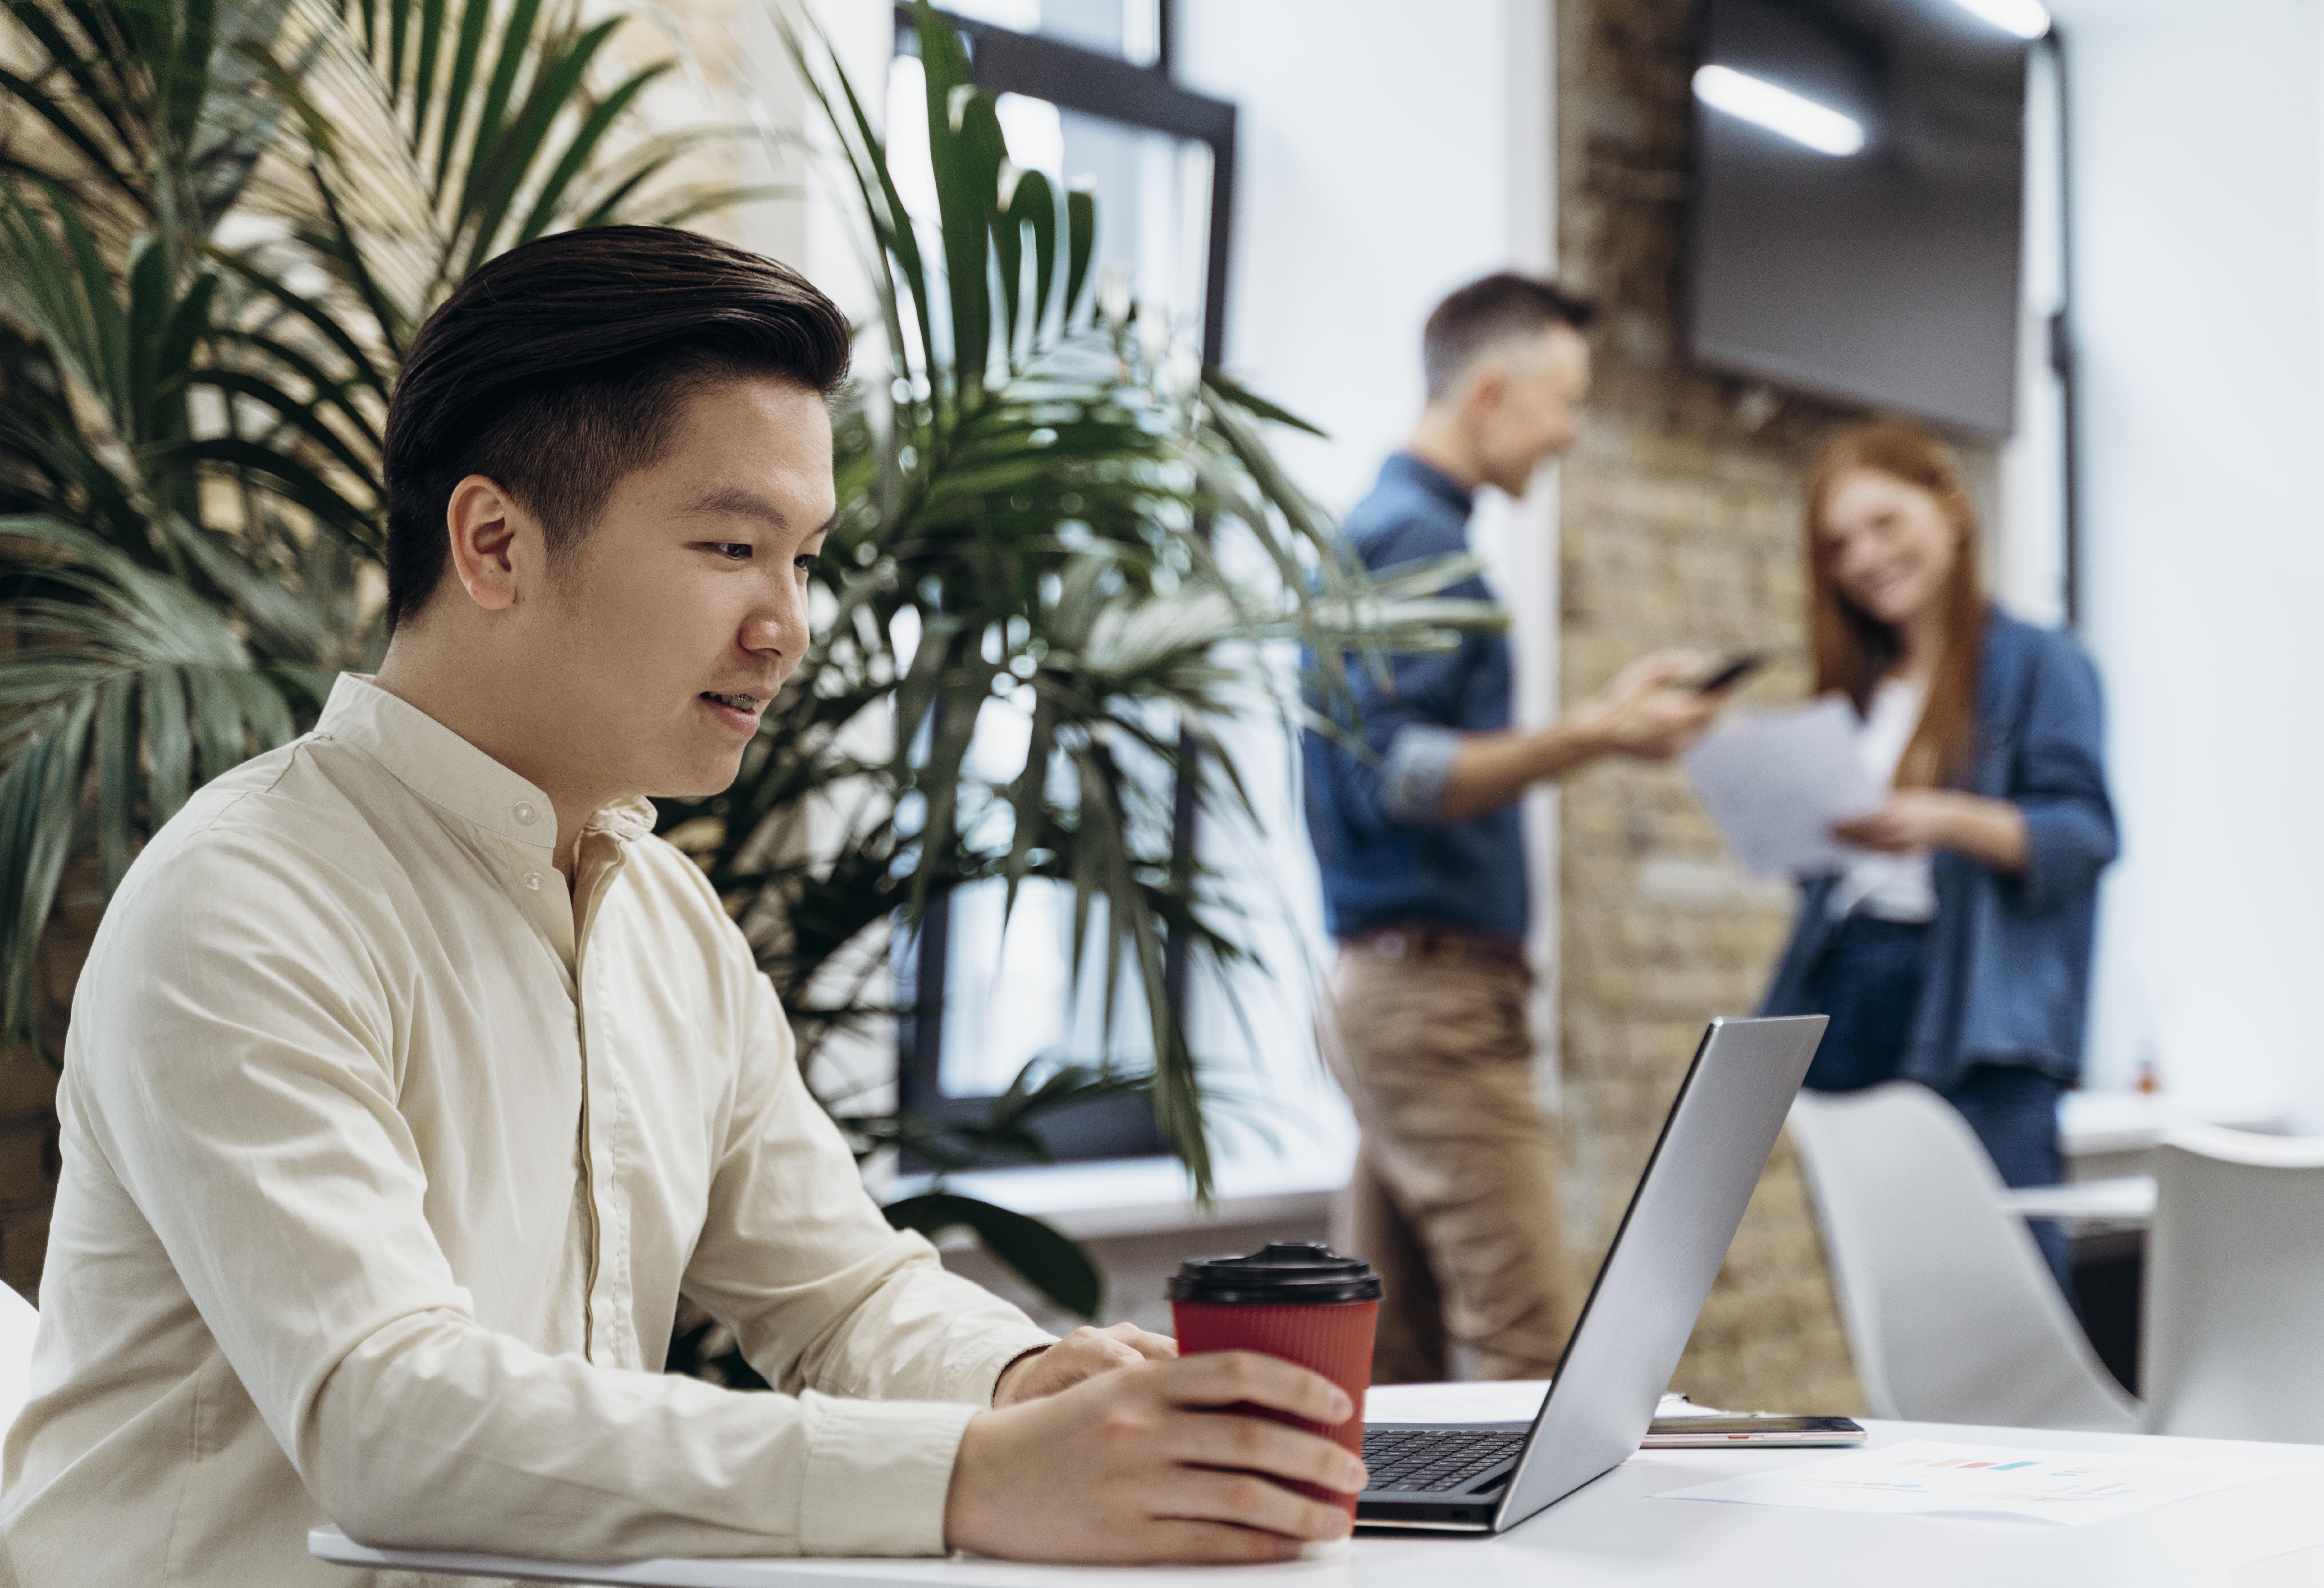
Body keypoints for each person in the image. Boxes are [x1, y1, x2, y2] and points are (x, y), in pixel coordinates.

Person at [0, 227, 1373, 1585]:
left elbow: (841, 1298)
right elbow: (390, 1420)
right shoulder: (244, 901)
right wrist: (972, 1476)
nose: (788, 625)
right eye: (731, 545)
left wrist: (1022, 1385)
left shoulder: (662, 914)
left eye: (805, 558)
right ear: (494, 544)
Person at [1303, 273, 1734, 1385]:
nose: (1571, 434)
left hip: (1400, 992)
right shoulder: (1416, 541)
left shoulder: (1396, 531)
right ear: (1490, 394)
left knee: (1392, 1368)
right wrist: (1603, 730)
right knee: (1534, 1354)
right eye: (1564, 403)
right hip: (1433, 1006)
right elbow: (1398, 775)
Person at [1759, 419, 2116, 1289]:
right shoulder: (1858, 691)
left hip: (1975, 1007)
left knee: (2006, 1282)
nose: (1865, 558)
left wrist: (1943, 819)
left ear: (1952, 508)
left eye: (1885, 523)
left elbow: (2083, 835)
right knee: (1888, 1283)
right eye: (1839, 545)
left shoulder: (2041, 666)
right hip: (1853, 988)